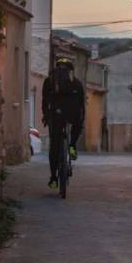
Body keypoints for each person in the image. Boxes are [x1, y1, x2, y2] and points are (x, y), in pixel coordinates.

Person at [42, 56, 85, 190]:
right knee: (78, 123)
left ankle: (54, 178)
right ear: (71, 70)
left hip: (56, 115)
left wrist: (46, 116)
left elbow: (45, 101)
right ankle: (72, 145)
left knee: (54, 147)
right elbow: (82, 104)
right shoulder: (77, 83)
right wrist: (80, 119)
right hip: (73, 115)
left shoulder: (49, 81)